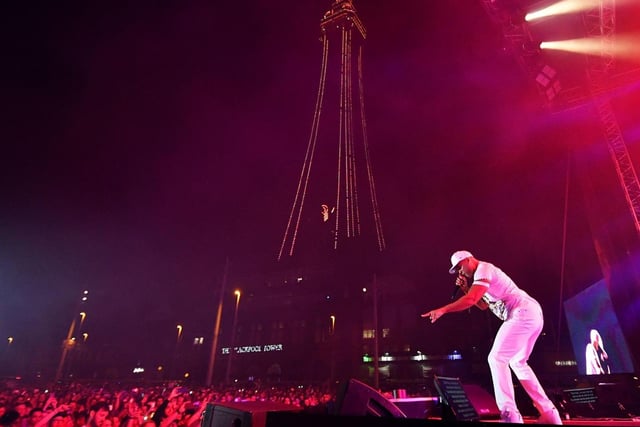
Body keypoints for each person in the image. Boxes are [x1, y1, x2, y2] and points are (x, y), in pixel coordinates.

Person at [421, 250, 562, 424]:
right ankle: (549, 413)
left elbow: (472, 300)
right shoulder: (481, 278)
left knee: (496, 358)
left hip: (522, 313)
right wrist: (466, 288)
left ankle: (510, 414)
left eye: (459, 267)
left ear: (468, 260)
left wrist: (443, 309)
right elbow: (482, 305)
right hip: (531, 314)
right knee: (518, 363)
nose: (460, 272)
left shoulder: (484, 268)